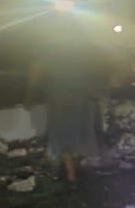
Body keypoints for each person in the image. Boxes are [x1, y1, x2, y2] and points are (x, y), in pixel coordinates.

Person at [28, 20, 108, 183]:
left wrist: (30, 94)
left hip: (66, 99)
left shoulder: (51, 53)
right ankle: (72, 172)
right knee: (73, 134)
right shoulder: (72, 53)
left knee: (66, 135)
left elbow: (36, 74)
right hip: (71, 98)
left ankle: (72, 173)